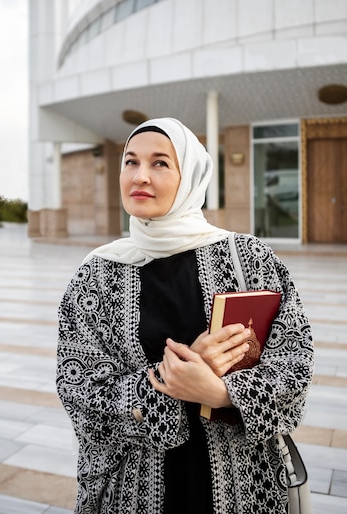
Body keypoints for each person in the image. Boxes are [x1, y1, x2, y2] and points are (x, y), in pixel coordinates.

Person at [56, 117, 314, 514]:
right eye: (130, 162)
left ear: (190, 176)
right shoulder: (96, 276)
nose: (140, 175)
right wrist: (175, 377)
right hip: (134, 488)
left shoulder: (250, 260)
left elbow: (294, 364)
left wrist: (220, 393)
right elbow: (81, 391)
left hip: (246, 485)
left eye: (160, 163)